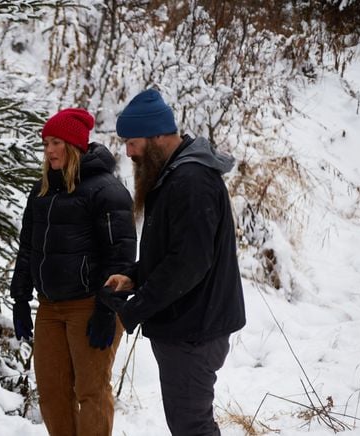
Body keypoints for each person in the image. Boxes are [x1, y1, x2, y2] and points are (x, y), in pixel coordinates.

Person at [102, 89, 246, 436]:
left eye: (132, 142)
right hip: (187, 324)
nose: (128, 151)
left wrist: (137, 308)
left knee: (192, 427)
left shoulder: (191, 181)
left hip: (194, 329)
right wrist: (134, 277)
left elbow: (189, 263)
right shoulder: (176, 176)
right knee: (189, 424)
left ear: (157, 136)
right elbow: (173, 253)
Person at [10, 108, 136, 436]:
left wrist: (107, 311)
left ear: (75, 146)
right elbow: (28, 248)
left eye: (57, 143)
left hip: (90, 306)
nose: (50, 150)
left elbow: (120, 256)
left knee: (91, 392)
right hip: (50, 307)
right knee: (52, 394)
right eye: (46, 143)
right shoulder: (41, 192)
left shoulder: (105, 190)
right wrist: (20, 298)